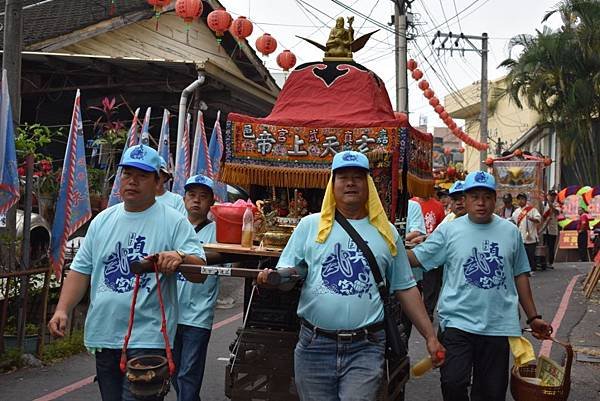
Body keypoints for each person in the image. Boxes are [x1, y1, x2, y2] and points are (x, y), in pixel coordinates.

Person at [257, 151, 444, 401]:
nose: (350, 182)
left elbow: (406, 288)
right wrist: (275, 279)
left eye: (358, 177)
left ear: (368, 185)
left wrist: (430, 337)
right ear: (332, 185)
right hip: (314, 346)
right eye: (343, 177)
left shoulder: (386, 232)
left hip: (366, 347)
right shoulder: (310, 226)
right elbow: (289, 275)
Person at [47, 145, 205, 401]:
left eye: (142, 175)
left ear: (158, 182)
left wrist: (180, 256)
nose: (132, 181)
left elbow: (200, 271)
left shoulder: (174, 221)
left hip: (149, 338)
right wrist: (62, 309)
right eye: (127, 174)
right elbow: (81, 270)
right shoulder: (102, 221)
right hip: (105, 334)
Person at [406, 171, 552, 401]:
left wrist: (533, 317)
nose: (481, 202)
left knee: (491, 393)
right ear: (465, 199)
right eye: (475, 196)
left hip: (498, 325)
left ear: (495, 199)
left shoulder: (510, 232)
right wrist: (388, 251)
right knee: (452, 383)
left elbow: (521, 274)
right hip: (456, 323)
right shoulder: (449, 230)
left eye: (487, 196)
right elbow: (418, 257)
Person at [173, 174, 220, 401]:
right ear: (184, 199)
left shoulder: (218, 232)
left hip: (198, 315)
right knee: (172, 371)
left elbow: (234, 262)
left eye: (203, 197)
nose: (196, 201)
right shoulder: (173, 228)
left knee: (188, 374)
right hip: (171, 313)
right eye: (192, 195)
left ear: (212, 201)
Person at [411, 193, 446, 321]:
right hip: (416, 250)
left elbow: (440, 229)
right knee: (416, 285)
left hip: (433, 251)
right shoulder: (412, 204)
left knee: (431, 285)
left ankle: (428, 312)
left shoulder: (438, 206)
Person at [511, 193, 542, 271]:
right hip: (521, 237)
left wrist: (531, 218)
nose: (520, 201)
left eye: (522, 199)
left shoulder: (532, 210)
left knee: (531, 255)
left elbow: (538, 219)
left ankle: (532, 268)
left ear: (525, 200)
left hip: (531, 236)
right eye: (519, 199)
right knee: (522, 255)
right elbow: (513, 222)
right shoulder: (516, 212)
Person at [540, 190, 560, 268]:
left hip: (552, 229)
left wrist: (549, 203)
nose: (553, 197)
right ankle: (543, 262)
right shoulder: (543, 204)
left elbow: (556, 212)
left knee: (551, 246)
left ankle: (550, 262)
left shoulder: (557, 205)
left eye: (554, 196)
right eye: (551, 195)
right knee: (544, 246)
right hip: (544, 229)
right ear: (548, 195)